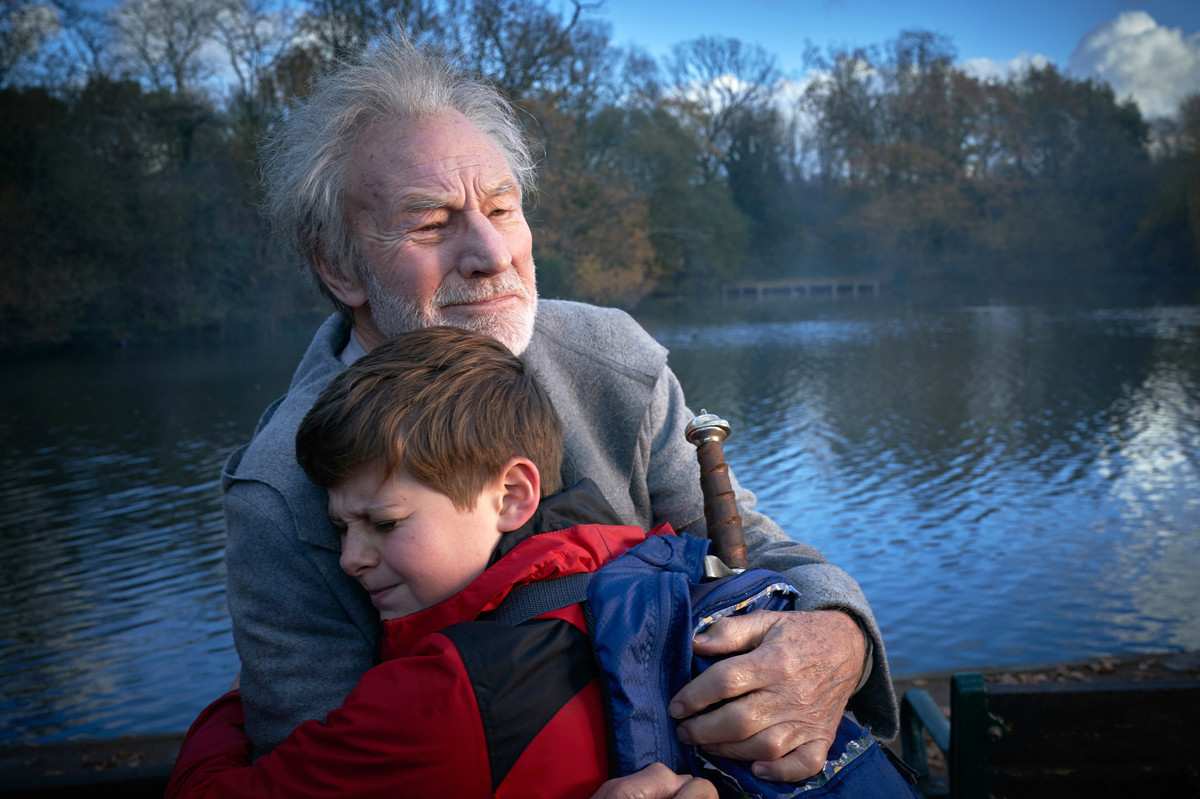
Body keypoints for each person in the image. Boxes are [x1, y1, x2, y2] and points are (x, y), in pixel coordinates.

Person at [222, 32, 898, 788]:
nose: (492, 253)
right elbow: (318, 777)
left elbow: (756, 552)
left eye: (502, 208)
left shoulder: (613, 362)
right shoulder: (278, 493)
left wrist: (839, 639)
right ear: (340, 266)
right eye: (431, 222)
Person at [168, 327, 719, 798]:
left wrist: (234, 701)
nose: (350, 560)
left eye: (385, 523)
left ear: (511, 496)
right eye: (340, 529)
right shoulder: (650, 568)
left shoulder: (441, 699)